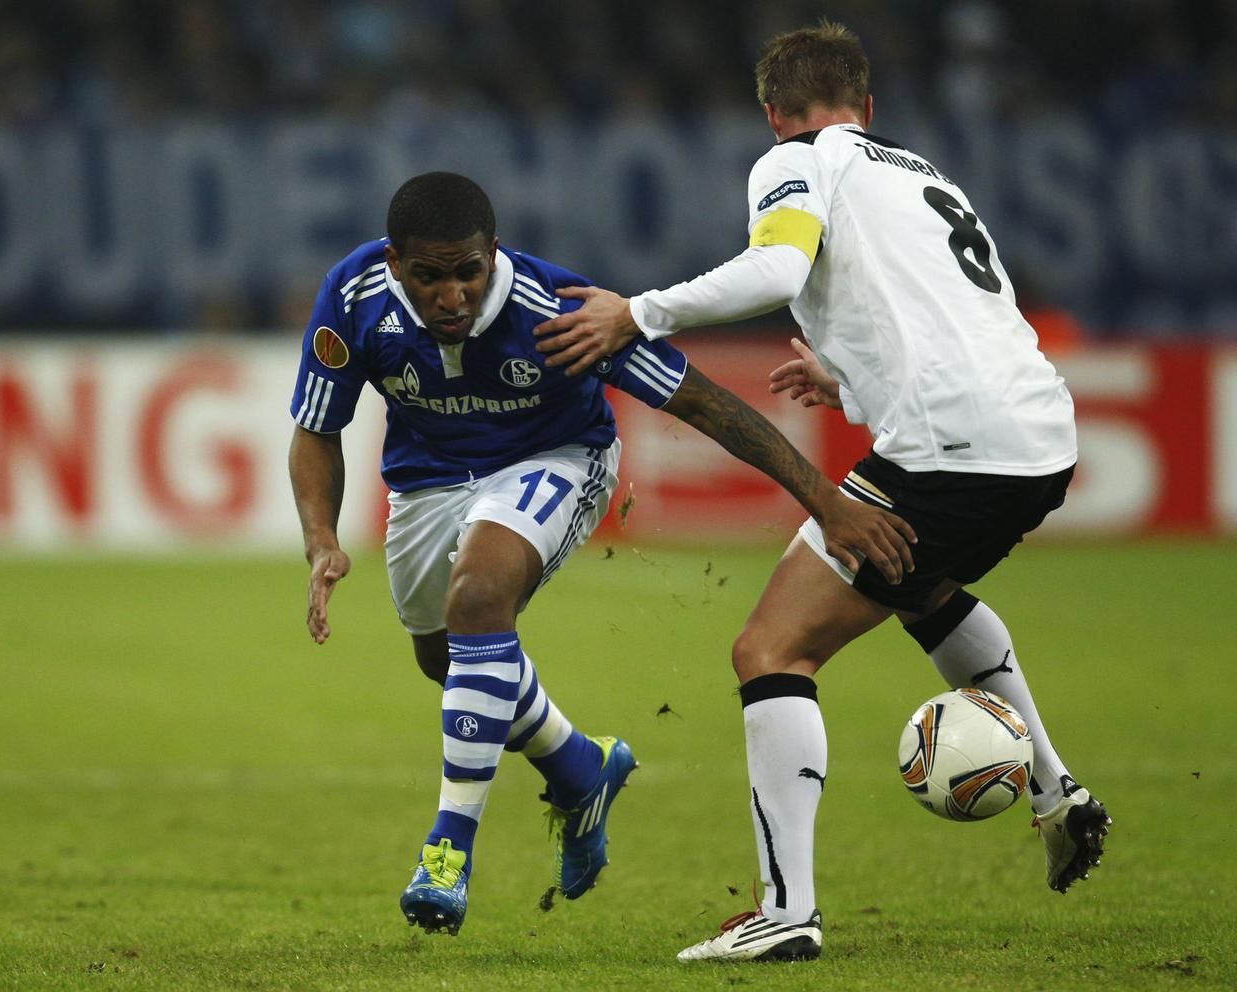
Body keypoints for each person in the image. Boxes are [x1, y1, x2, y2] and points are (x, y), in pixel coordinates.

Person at [533, 21, 1111, 964]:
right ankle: (1055, 790)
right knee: (922, 590)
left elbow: (777, 270)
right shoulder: (923, 173)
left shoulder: (797, 160)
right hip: (1040, 437)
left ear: (773, 115)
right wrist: (852, 378)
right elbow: (956, 314)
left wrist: (636, 312)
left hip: (949, 446)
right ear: (869, 105)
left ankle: (785, 909)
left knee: (771, 647)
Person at [287, 171, 915, 937]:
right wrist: (321, 539)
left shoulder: (560, 311)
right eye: (428, 276)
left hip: (556, 458)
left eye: (466, 272)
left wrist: (827, 501)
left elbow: (702, 402)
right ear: (394, 263)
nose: (450, 295)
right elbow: (318, 427)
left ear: (492, 254)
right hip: (426, 482)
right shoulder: (354, 296)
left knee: (478, 599)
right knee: (447, 662)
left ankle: (447, 853)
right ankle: (580, 768)